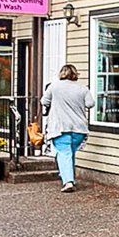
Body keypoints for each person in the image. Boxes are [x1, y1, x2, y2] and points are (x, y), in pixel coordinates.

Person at [40, 63, 91, 192]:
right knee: (70, 153)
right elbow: (90, 104)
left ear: (62, 73)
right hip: (79, 128)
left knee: (64, 153)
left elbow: (44, 101)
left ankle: (68, 182)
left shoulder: (54, 86)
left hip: (60, 126)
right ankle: (68, 176)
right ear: (75, 74)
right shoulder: (82, 89)